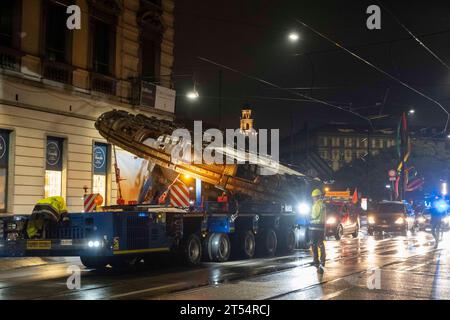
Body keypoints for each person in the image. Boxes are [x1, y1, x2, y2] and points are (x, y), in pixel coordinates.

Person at [310, 189, 326, 273]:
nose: (313, 198)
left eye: (313, 197)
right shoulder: (323, 205)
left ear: (316, 197)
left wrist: (308, 216)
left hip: (314, 226)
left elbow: (314, 216)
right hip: (321, 227)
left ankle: (316, 260)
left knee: (313, 244)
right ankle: (322, 260)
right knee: (320, 243)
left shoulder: (316, 205)